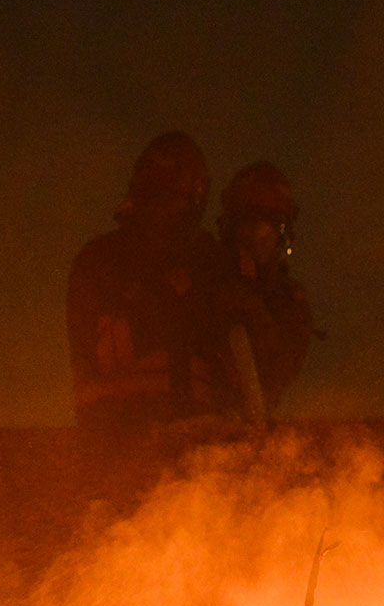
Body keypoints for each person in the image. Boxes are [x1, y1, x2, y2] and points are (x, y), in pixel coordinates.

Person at [66, 131, 225, 441]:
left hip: (189, 443)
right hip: (123, 440)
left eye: (174, 203)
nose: (168, 214)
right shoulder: (103, 261)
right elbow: (100, 350)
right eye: (163, 202)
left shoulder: (208, 262)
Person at [213, 161, 314, 423]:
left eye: (265, 231)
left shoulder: (289, 303)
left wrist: (250, 307)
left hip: (241, 427)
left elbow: (273, 375)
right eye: (245, 227)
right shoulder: (200, 276)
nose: (253, 241)